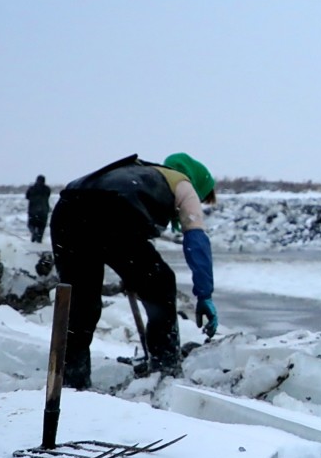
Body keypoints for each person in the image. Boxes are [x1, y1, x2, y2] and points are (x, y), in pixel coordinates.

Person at [49, 153, 218, 389]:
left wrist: (133, 273)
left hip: (67, 211)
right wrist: (205, 294)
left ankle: (71, 380)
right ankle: (165, 371)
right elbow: (196, 241)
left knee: (81, 302)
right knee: (162, 285)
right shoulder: (183, 184)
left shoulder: (140, 173)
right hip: (112, 211)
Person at [26, 174, 52, 243]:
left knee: (31, 224)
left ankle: (34, 233)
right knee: (42, 226)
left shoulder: (31, 188)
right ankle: (39, 239)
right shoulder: (47, 189)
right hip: (44, 211)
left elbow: (27, 197)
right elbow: (48, 196)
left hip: (33, 211)